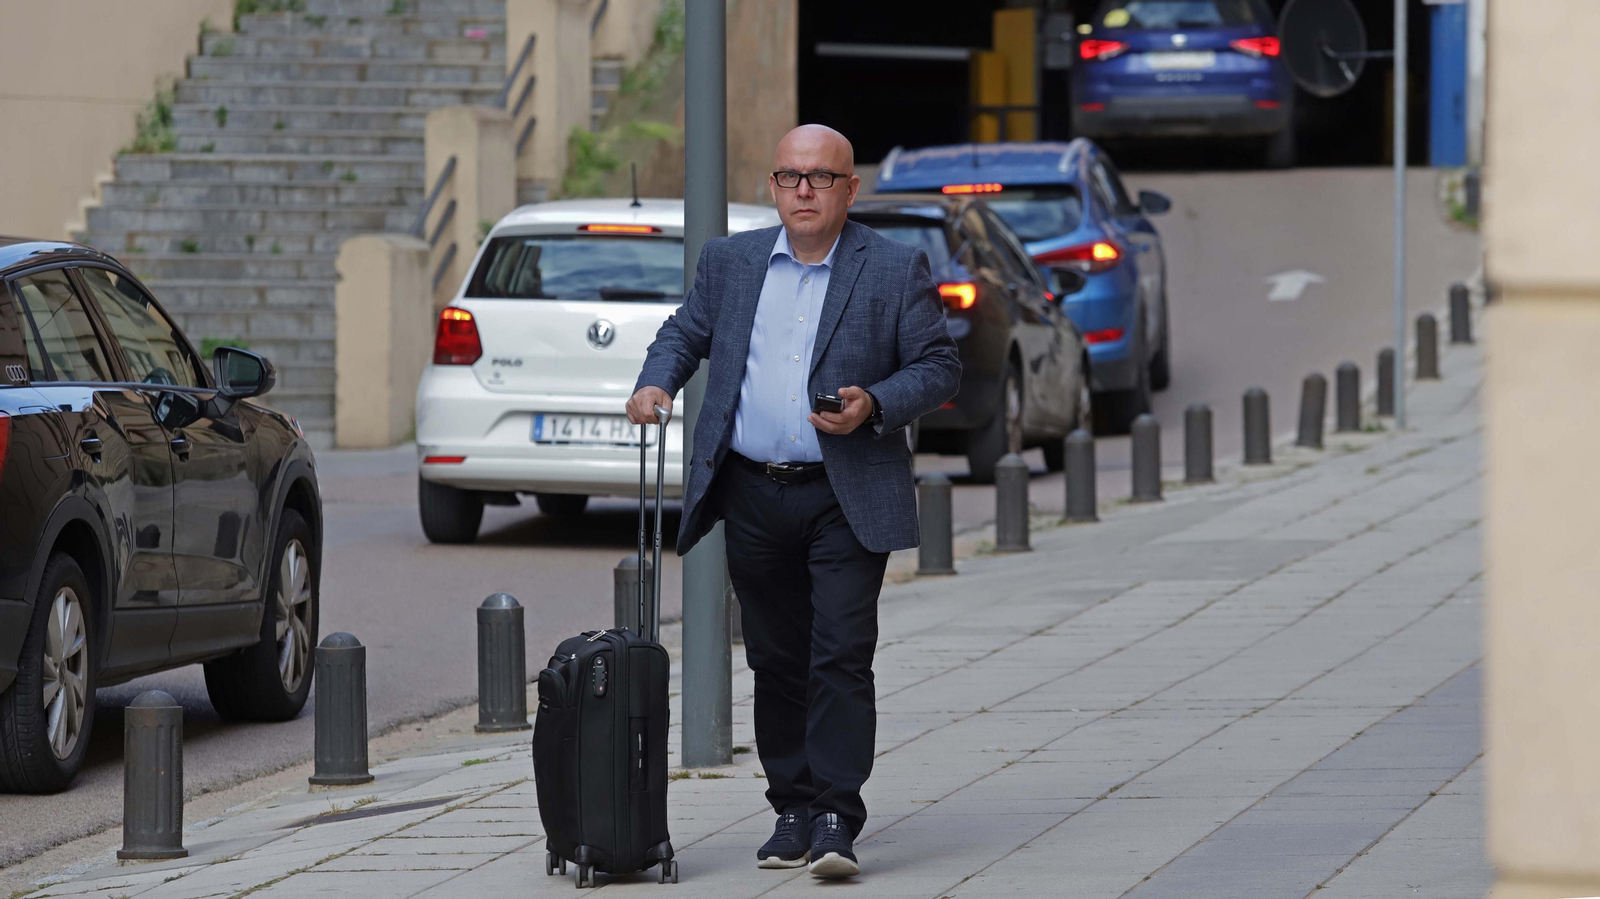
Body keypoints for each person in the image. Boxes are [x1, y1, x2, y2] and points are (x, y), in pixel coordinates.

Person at [627, 124, 960, 879]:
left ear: (850, 188)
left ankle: (837, 813)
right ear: (773, 186)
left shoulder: (892, 267)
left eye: (821, 177)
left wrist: (874, 402)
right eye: (789, 177)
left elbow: (939, 366)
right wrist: (655, 383)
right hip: (753, 490)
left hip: (846, 491)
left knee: (839, 652)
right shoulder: (732, 261)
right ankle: (792, 809)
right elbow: (684, 333)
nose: (803, 190)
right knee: (776, 658)